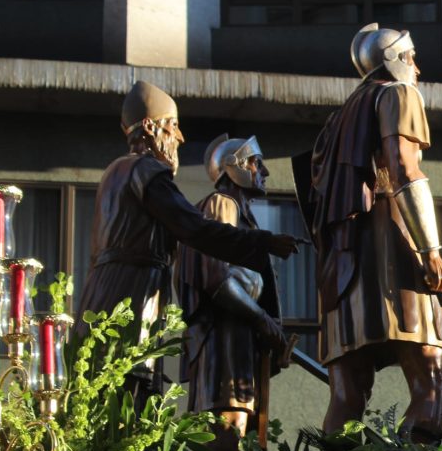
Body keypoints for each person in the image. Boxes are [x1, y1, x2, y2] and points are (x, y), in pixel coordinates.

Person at [77, 81, 302, 404]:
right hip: (132, 295)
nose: (180, 137)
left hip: (103, 294)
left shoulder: (115, 173)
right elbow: (196, 229)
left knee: (107, 396)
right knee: (127, 396)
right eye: (174, 126)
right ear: (151, 127)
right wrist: (264, 241)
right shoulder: (146, 170)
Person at [307, 23, 442, 438]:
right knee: (435, 380)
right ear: (394, 61)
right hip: (390, 252)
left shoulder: (336, 120)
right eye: (411, 57)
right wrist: (431, 252)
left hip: (338, 270)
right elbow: (404, 168)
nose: (418, 68)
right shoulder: (397, 93)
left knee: (346, 398)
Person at [174, 134, 287, 451]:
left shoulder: (239, 212)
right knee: (228, 428)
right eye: (255, 162)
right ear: (232, 167)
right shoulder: (222, 203)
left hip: (236, 335)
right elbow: (216, 276)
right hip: (222, 336)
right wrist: (261, 318)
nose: (263, 170)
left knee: (239, 431)